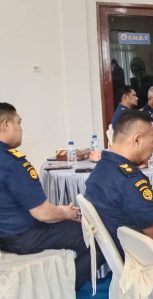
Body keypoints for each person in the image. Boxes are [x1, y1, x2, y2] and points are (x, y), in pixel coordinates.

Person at [0, 102, 96, 290]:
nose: (21, 129)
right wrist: (66, 213)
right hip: (23, 235)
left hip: (4, 233)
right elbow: (43, 213)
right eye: (18, 123)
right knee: (97, 236)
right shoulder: (12, 163)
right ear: (5, 125)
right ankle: (63, 288)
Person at [85, 110, 153, 275]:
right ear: (137, 139)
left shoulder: (100, 170)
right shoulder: (129, 180)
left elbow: (131, 215)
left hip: (131, 252)